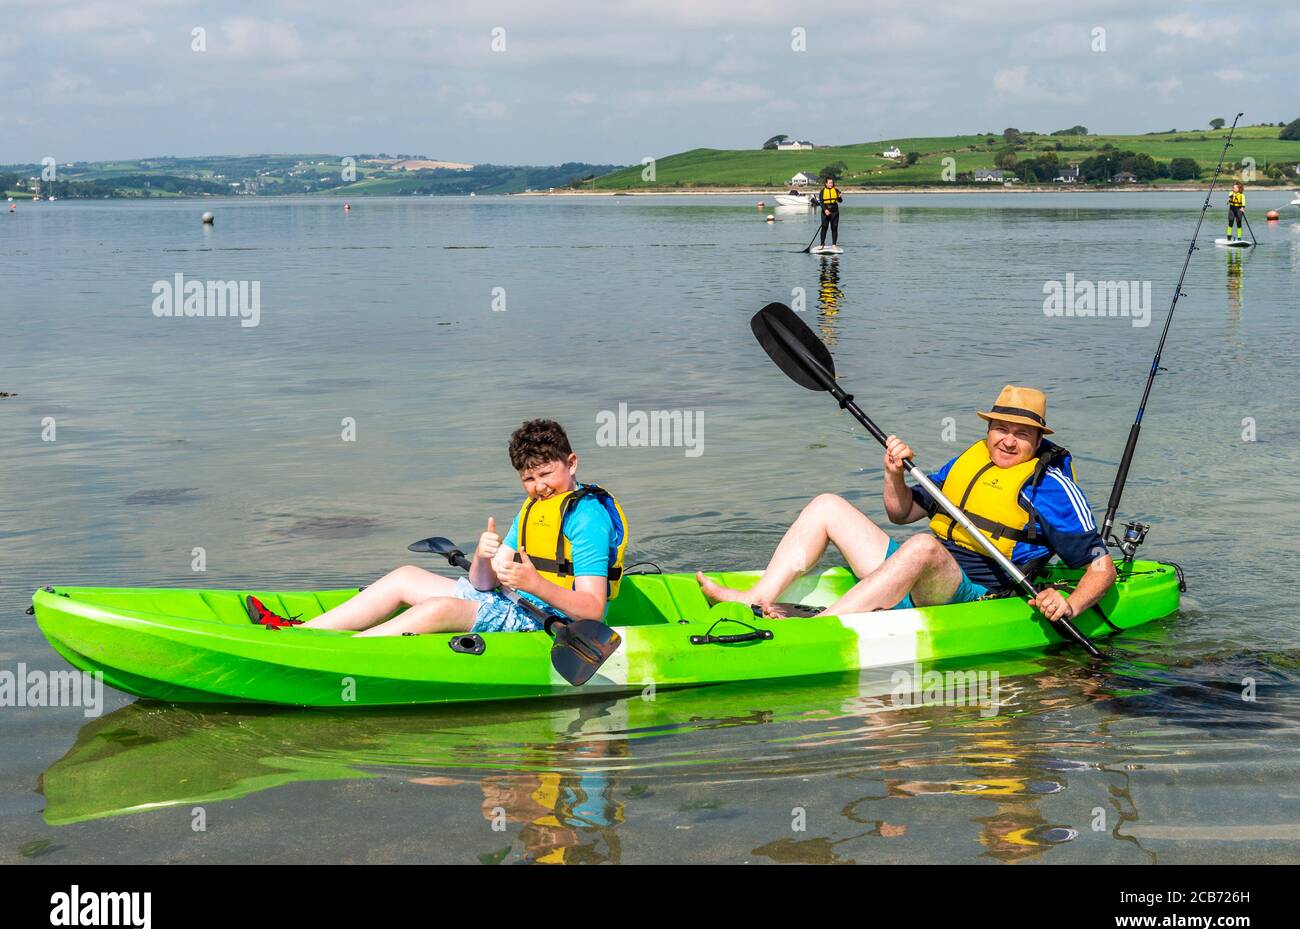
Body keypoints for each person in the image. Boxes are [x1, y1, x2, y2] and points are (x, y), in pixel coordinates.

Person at [696, 386, 1116, 622]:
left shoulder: (1052, 487)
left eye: (1021, 434)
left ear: (1038, 439)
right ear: (988, 429)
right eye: (1000, 428)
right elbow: (902, 513)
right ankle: (756, 598)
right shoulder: (970, 460)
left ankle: (824, 627)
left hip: (972, 595)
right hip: (917, 572)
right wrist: (893, 473)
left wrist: (1071, 603)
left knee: (923, 546)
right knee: (827, 505)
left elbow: (1102, 567)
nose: (1007, 440)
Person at [245, 419, 629, 637]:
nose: (539, 486)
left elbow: (593, 610)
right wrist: (482, 556)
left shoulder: (587, 518)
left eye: (547, 474)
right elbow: (482, 584)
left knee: (440, 607)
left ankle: (347, 652)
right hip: (516, 601)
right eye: (529, 479)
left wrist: (534, 584)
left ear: (572, 462)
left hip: (551, 622)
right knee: (405, 576)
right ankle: (301, 634)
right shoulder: (536, 506)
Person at [814, 176, 843, 247]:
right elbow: (821, 202)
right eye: (829, 183)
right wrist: (825, 210)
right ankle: (822, 244)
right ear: (826, 184)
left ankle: (834, 244)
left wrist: (839, 197)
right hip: (825, 211)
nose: (831, 184)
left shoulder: (836, 190)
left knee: (834, 227)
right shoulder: (822, 191)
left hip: (834, 211)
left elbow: (840, 201)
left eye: (832, 183)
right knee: (824, 227)